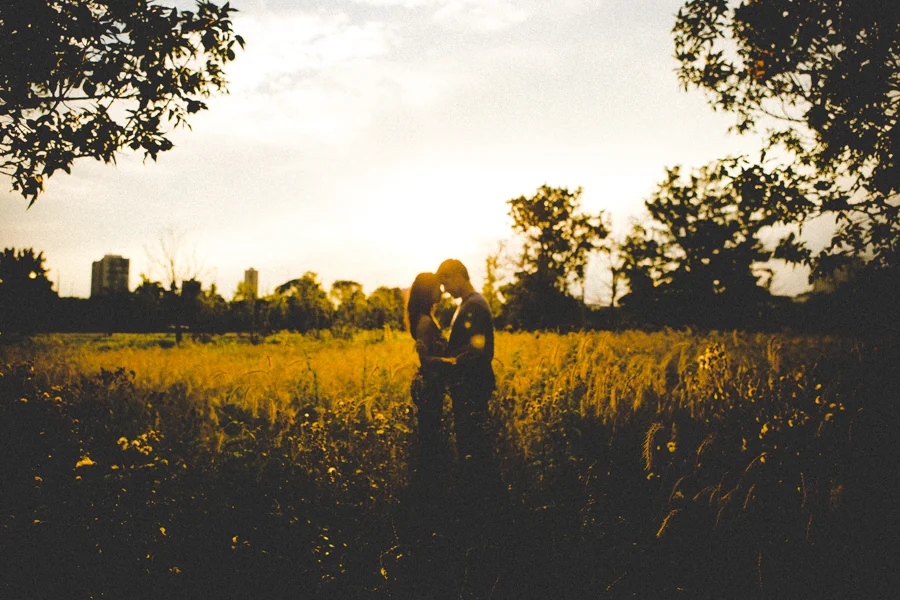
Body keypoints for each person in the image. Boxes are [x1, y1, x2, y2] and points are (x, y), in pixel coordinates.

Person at [435, 259, 496, 477]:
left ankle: (477, 494)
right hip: (467, 384)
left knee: (474, 448)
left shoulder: (474, 304)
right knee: (469, 445)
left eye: (446, 283)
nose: (445, 290)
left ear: (458, 276)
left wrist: (447, 359)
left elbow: (479, 347)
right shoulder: (467, 303)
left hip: (474, 385)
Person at [406, 272, 453, 481]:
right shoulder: (425, 322)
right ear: (427, 290)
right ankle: (429, 483)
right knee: (430, 437)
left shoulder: (426, 318)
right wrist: (454, 361)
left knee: (431, 435)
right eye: (437, 286)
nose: (441, 290)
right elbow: (425, 360)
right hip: (429, 388)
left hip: (433, 386)